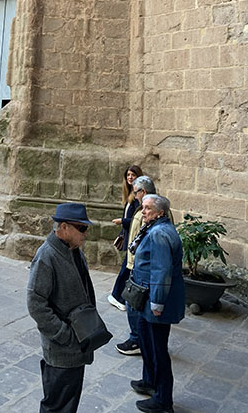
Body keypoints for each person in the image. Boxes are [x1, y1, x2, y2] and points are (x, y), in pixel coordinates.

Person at [27, 202, 96, 413]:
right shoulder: (47, 257)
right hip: (62, 348)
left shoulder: (74, 251)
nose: (85, 233)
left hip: (78, 344)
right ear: (64, 228)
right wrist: (64, 334)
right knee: (57, 406)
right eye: (81, 228)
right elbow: (35, 303)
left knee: (69, 402)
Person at [130, 195, 185, 413]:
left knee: (158, 349)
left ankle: (164, 400)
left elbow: (162, 272)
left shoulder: (160, 233)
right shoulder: (154, 227)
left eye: (147, 208)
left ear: (160, 212)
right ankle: (149, 381)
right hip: (147, 298)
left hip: (155, 300)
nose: (143, 211)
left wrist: (157, 303)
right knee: (145, 339)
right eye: (143, 207)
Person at [115, 175, 156, 355]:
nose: (134, 195)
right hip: (135, 263)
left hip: (138, 266)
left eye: (136, 191)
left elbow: (143, 239)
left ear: (143, 192)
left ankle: (136, 340)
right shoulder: (150, 208)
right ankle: (141, 339)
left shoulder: (147, 211)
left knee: (133, 304)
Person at [108, 164, 143, 310]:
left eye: (133, 175)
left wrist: (122, 221)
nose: (130, 177)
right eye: (128, 175)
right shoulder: (130, 194)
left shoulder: (137, 197)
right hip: (129, 235)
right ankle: (122, 297)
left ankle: (118, 297)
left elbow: (138, 219)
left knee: (126, 268)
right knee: (128, 268)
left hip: (133, 237)